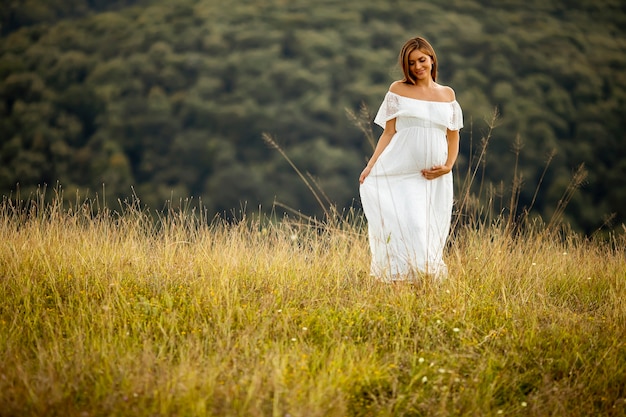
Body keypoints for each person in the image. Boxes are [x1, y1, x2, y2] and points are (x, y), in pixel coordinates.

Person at [359, 36, 463, 282]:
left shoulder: (448, 95)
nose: (418, 66)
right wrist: (371, 165)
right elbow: (388, 132)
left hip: (433, 177)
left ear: (431, 59)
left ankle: (421, 286)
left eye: (422, 60)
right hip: (400, 172)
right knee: (411, 227)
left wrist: (448, 166)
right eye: (411, 62)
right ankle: (400, 280)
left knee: (428, 232)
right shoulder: (398, 90)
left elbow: (453, 137)